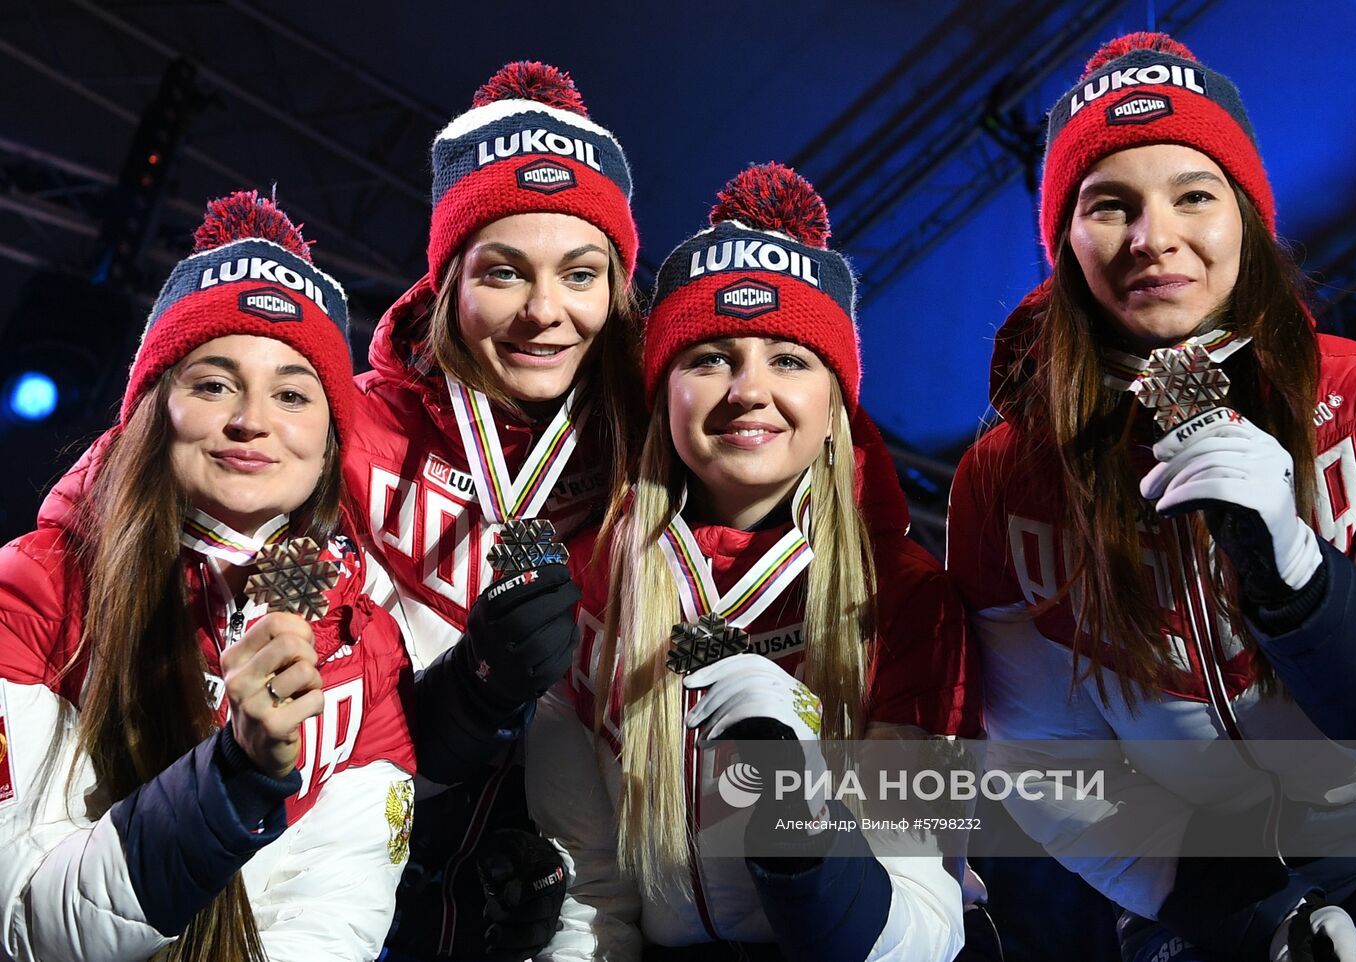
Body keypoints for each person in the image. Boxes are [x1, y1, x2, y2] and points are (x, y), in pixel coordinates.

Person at [946, 32, 1356, 962]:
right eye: (1110, 206)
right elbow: (1048, 765)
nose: (1155, 239)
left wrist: (1301, 582)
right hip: (1192, 892)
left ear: (1246, 217)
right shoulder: (1002, 480)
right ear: (1066, 242)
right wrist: (1243, 911)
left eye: (1195, 194)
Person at [526, 163, 981, 961]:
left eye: (790, 360)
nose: (748, 390)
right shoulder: (589, 585)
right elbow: (591, 896)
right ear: (663, 393)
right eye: (708, 359)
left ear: (837, 406)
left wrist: (799, 817)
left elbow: (923, 920)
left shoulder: (907, 597)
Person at [0, 191, 416, 962]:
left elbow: (336, 922)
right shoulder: (31, 594)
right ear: (153, 411)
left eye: (292, 393)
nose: (251, 419)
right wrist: (227, 786)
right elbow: (22, 921)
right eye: (213, 383)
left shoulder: (367, 647)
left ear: (330, 441)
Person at [340, 62, 643, 960]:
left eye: (581, 274)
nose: (545, 312)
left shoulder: (657, 470)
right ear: (447, 285)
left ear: (619, 289)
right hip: (345, 893)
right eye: (504, 272)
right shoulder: (346, 426)